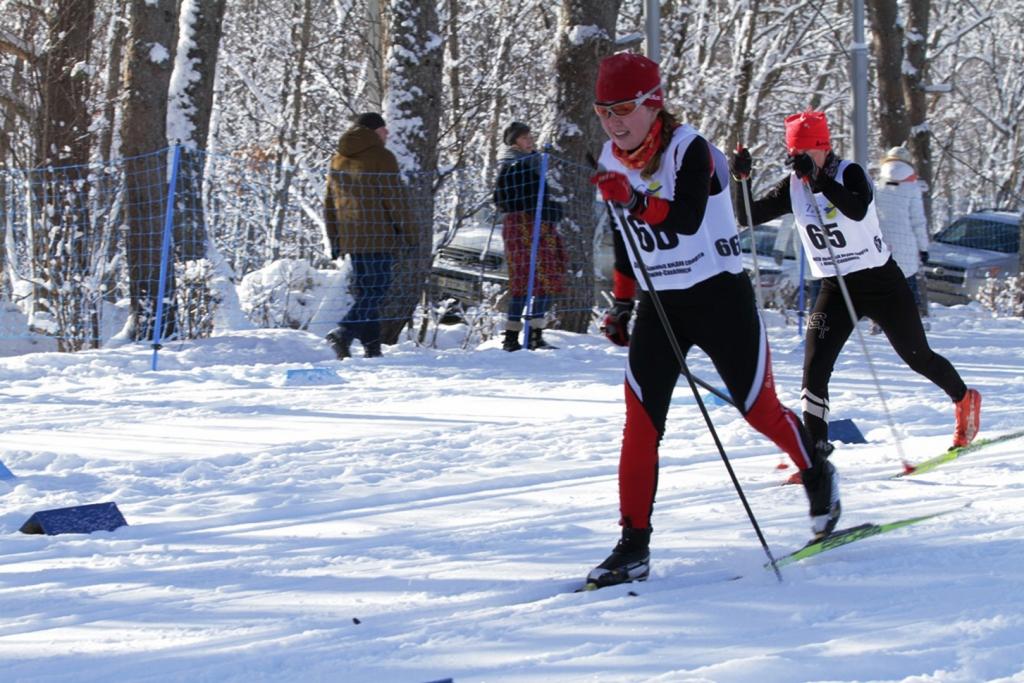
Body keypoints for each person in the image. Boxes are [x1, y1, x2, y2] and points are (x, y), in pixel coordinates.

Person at [585, 53, 838, 589]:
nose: (614, 122)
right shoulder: (611, 156)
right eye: (604, 111)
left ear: (653, 104)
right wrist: (624, 302)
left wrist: (630, 197)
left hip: (718, 296)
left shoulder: (689, 148)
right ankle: (633, 546)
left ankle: (816, 470)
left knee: (758, 410)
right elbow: (626, 243)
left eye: (625, 108)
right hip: (662, 305)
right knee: (640, 425)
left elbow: (684, 219)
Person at [730, 111, 980, 457]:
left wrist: (820, 182)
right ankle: (814, 448)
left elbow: (857, 209)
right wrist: (741, 178)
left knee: (917, 356)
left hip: (880, 282)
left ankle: (964, 399)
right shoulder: (792, 185)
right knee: (814, 365)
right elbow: (746, 216)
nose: (798, 160)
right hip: (835, 287)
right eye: (793, 153)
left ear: (822, 148)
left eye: (805, 153)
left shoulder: (850, 173)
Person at [323, 112, 409, 359]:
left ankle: (372, 347)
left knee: (367, 291)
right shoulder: (382, 157)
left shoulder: (338, 158)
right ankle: (344, 331)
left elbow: (329, 203)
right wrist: (409, 232)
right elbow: (395, 199)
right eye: (384, 130)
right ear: (374, 131)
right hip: (378, 235)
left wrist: (335, 239)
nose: (387, 135)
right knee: (377, 290)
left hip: (351, 238)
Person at [493, 121, 566, 351]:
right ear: (514, 141)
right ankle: (513, 337)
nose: (530, 141)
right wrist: (549, 210)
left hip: (537, 226)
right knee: (527, 279)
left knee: (545, 277)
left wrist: (548, 210)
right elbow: (508, 200)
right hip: (523, 226)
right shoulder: (515, 166)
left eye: (530, 137)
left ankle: (534, 333)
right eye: (525, 138)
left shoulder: (532, 163)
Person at [874, 146, 930, 317]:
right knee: (907, 283)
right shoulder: (912, 188)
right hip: (906, 245)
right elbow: (918, 221)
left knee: (881, 284)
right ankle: (911, 320)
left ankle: (878, 320)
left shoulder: (876, 186)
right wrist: (924, 248)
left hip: (880, 243)